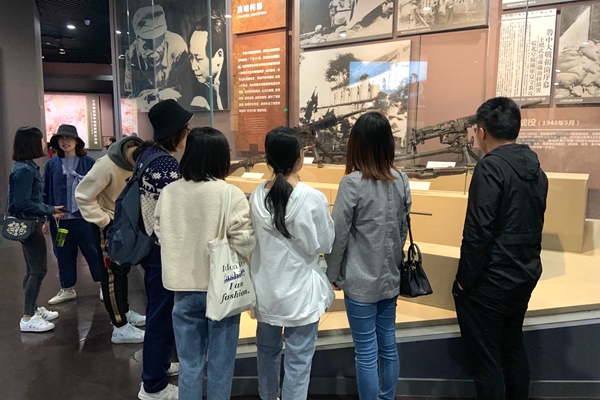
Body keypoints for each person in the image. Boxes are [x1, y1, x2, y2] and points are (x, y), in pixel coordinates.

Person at [453, 97, 548, 400]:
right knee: (513, 348)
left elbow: (478, 232)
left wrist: (464, 281)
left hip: (491, 281)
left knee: (487, 362)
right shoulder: (537, 170)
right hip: (524, 274)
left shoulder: (490, 168)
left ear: (482, 131)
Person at [155, 127, 255, 400]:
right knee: (221, 366)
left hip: (183, 289)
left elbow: (160, 232)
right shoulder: (230, 193)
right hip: (222, 288)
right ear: (221, 157)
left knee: (189, 365)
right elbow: (245, 241)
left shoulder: (170, 192)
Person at [325, 112, 411, 400]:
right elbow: (402, 228)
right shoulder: (401, 179)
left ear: (357, 144)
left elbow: (338, 234)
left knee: (365, 352)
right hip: (390, 277)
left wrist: (332, 274)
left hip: (359, 280)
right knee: (388, 345)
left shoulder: (352, 183)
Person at [250, 127, 335, 400]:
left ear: (268, 158)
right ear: (300, 157)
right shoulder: (312, 197)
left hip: (265, 291)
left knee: (266, 353)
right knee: (299, 360)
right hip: (300, 295)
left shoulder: (256, 196)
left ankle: (267, 396)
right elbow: (325, 244)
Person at [136, 99, 193, 400]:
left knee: (160, 312)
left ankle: (158, 367)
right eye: (186, 128)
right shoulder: (165, 165)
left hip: (152, 249)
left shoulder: (149, 155)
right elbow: (173, 215)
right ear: (175, 131)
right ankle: (153, 386)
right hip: (162, 251)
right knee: (159, 316)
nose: (188, 133)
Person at [75, 136, 149, 344]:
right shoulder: (107, 165)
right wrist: (105, 221)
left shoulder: (139, 160)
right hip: (108, 226)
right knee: (111, 273)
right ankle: (119, 326)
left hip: (125, 224)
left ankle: (123, 312)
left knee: (122, 269)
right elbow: (83, 195)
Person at [9, 127, 64, 333]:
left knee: (32, 269)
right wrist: (49, 210)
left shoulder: (26, 167)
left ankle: (31, 309)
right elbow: (22, 202)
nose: (44, 143)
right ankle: (27, 317)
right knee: (37, 271)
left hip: (31, 223)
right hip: (29, 224)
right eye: (41, 139)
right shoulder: (25, 170)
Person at [42, 125, 102, 305]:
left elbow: (98, 190)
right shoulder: (51, 164)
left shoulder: (89, 162)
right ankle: (67, 288)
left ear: (76, 141)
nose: (65, 142)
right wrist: (46, 217)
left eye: (68, 138)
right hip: (59, 220)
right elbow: (46, 191)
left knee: (93, 252)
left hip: (84, 218)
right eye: (61, 139)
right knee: (63, 254)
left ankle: (103, 285)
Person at [124, 5, 191, 111]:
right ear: (137, 39)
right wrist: (152, 96)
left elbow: (187, 89)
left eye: (159, 43)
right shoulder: (132, 54)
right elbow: (129, 96)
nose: (154, 55)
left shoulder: (178, 47)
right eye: (147, 46)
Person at [188, 13, 228, 110]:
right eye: (191, 57)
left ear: (219, 55)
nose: (193, 67)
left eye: (199, 59)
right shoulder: (192, 86)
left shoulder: (233, 83)